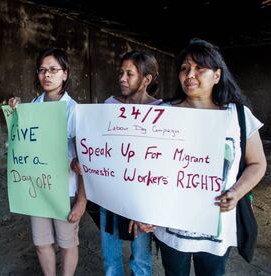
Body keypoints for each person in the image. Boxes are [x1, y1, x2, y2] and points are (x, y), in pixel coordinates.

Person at [154, 38, 267, 276]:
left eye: (199, 68)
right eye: (184, 69)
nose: (190, 74)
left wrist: (236, 192)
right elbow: (144, 167)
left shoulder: (238, 116)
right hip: (170, 228)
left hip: (216, 231)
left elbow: (257, 164)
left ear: (217, 75)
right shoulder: (161, 113)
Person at [73, 50, 161, 276]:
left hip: (142, 198)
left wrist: (150, 208)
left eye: (129, 74)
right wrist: (82, 159)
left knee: (141, 256)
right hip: (108, 194)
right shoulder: (109, 105)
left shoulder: (161, 111)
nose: (122, 78)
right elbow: (96, 145)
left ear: (147, 80)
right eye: (121, 72)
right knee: (109, 253)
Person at [8, 47, 87, 276]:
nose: (47, 75)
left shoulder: (74, 111)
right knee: (41, 243)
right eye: (42, 70)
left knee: (67, 243)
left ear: (66, 74)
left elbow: (84, 161)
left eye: (53, 69)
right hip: (37, 188)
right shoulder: (32, 106)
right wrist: (15, 112)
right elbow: (22, 142)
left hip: (65, 190)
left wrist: (81, 200)